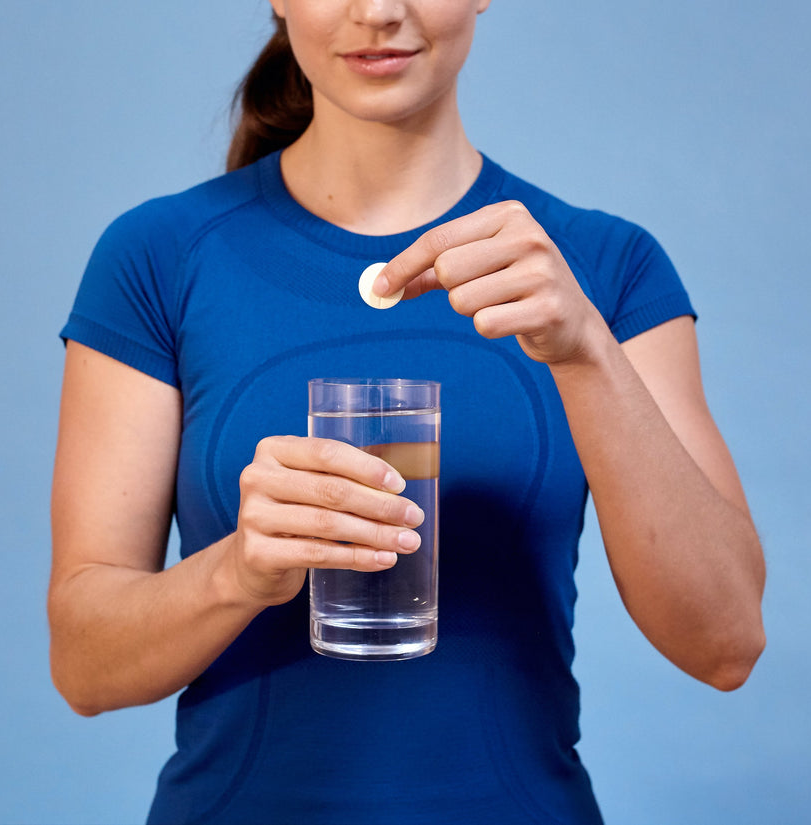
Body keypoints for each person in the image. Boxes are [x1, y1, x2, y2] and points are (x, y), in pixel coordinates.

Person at [49, 2, 767, 823]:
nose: (380, 11)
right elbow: (83, 665)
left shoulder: (604, 267)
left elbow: (726, 644)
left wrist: (586, 352)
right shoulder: (157, 257)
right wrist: (237, 572)